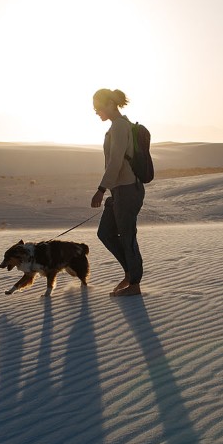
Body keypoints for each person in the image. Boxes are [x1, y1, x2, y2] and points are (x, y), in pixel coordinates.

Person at [90, 88, 144, 297]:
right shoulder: (116, 126)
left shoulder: (120, 127)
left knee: (127, 235)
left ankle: (135, 284)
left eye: (97, 107)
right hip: (119, 190)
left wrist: (100, 190)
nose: (96, 112)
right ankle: (130, 273)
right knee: (105, 232)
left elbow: (116, 161)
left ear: (110, 104)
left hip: (128, 189)